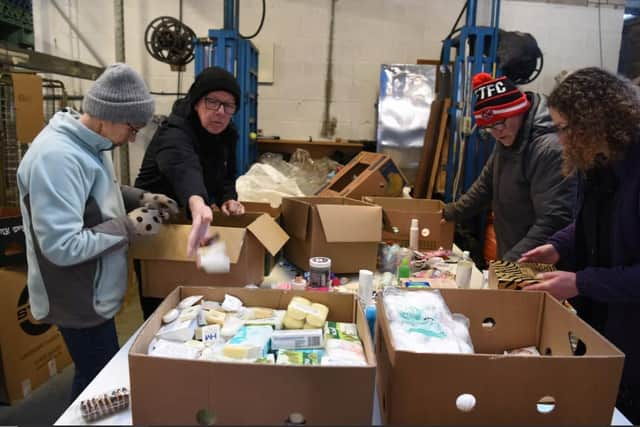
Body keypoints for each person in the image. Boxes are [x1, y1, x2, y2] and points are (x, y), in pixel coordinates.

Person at [16, 63, 178, 400]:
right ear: (109, 116)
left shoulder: (91, 143)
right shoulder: (56, 158)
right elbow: (61, 245)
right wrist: (130, 226)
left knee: (100, 374)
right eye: (132, 128)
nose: (133, 137)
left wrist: (140, 197)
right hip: (76, 297)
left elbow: (99, 192)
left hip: (95, 289)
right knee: (97, 384)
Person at [520, 67, 640, 424]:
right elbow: (594, 225)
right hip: (601, 324)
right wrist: (558, 247)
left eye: (563, 128)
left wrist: (579, 282)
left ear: (594, 123)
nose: (560, 140)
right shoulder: (601, 164)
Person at [134, 66, 246, 318]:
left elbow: (228, 174)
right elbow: (183, 167)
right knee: (164, 309)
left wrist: (228, 198)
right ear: (196, 102)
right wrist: (197, 202)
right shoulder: (174, 131)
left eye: (228, 106)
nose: (220, 112)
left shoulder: (228, 134)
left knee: (213, 291)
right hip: (159, 226)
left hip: (200, 220)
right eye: (212, 102)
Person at [441, 72, 576, 261]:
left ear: (518, 110)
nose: (497, 132)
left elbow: (554, 219)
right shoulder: (508, 137)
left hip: (540, 261)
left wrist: (510, 264)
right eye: (490, 128)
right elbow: (485, 186)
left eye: (501, 122)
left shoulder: (549, 149)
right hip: (516, 251)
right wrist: (449, 213)